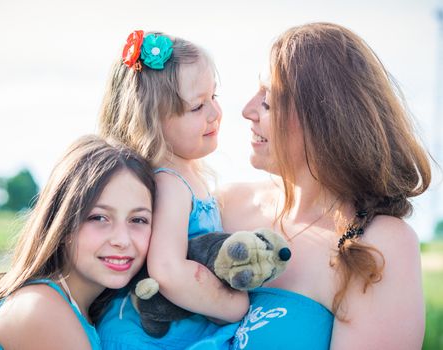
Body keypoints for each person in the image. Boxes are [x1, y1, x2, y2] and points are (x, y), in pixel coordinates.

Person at [212, 22, 431, 349]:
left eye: (268, 102)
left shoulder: (377, 245)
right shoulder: (224, 204)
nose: (247, 111)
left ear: (324, 119)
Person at [95, 30, 250, 349]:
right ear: (152, 121)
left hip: (181, 325)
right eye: (197, 107)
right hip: (157, 336)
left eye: (214, 97)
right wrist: (234, 305)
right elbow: (167, 269)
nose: (215, 113)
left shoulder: (188, 174)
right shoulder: (170, 183)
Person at [0, 135, 156, 350]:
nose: (122, 240)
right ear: (63, 223)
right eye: (99, 218)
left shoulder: (87, 309)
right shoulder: (40, 308)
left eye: (138, 220)